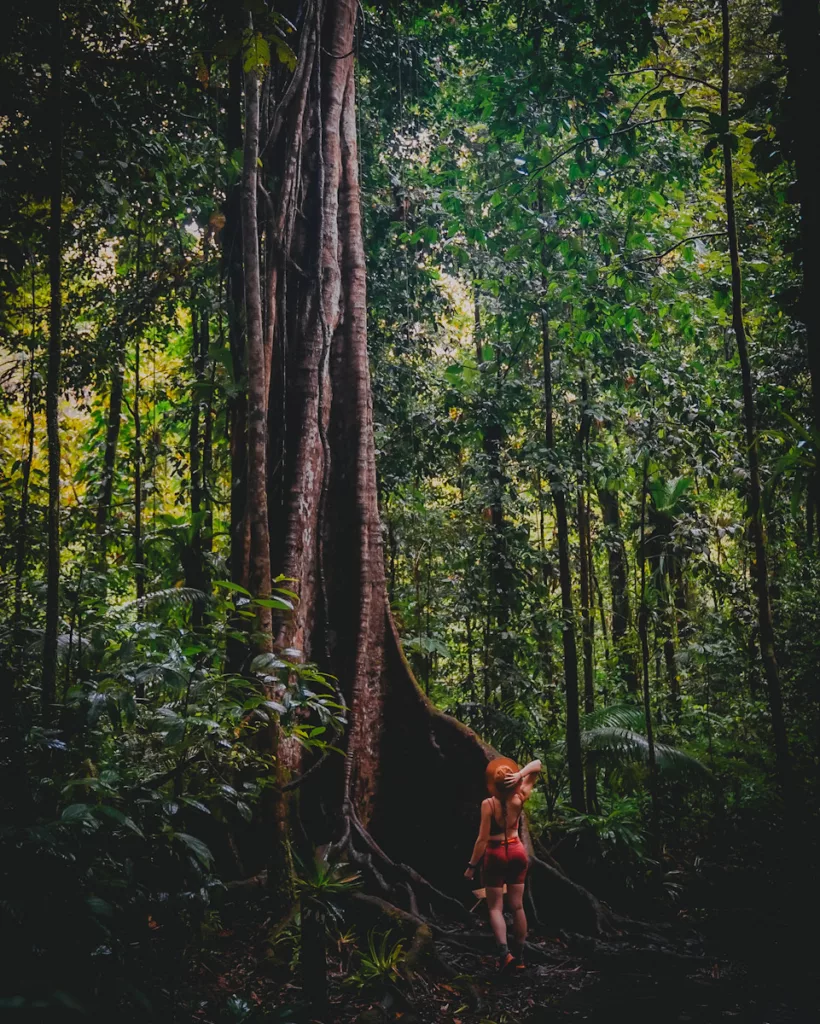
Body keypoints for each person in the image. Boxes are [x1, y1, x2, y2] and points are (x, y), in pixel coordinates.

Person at [464, 756, 542, 971]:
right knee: (517, 906)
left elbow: (481, 839)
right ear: (513, 782)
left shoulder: (488, 804)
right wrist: (521, 774)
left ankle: (504, 955)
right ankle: (520, 957)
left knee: (495, 907)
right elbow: (537, 765)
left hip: (495, 853)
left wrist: (471, 866)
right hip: (517, 851)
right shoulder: (521, 796)